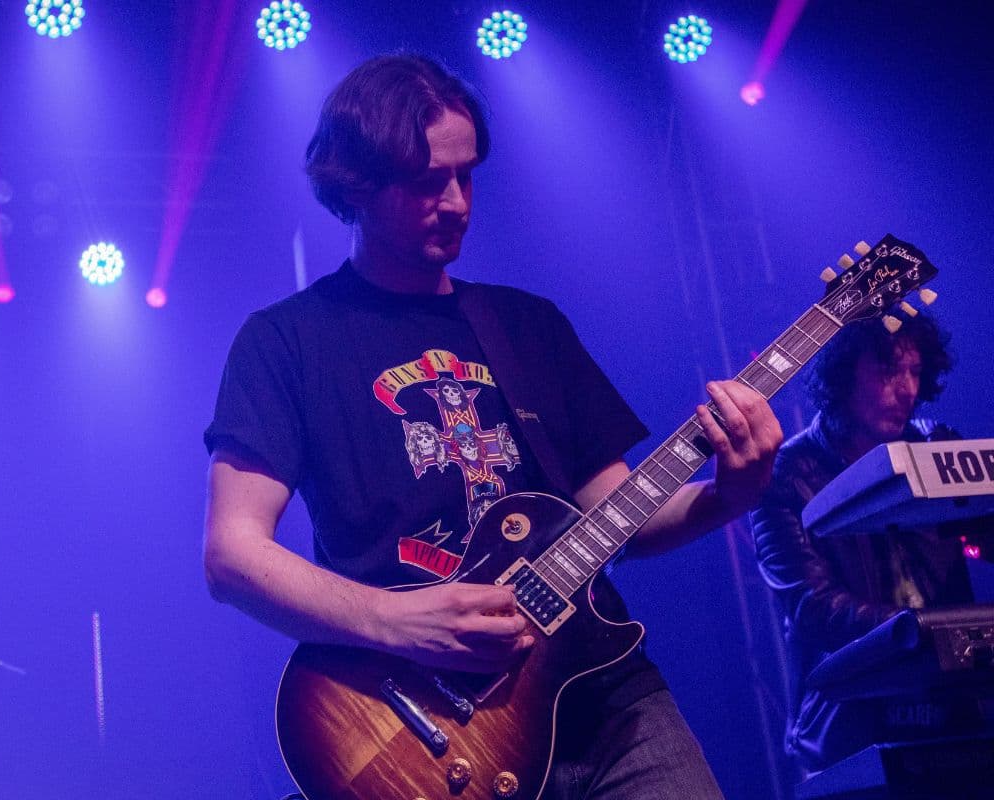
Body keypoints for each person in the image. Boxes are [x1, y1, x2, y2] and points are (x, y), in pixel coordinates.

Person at [203, 53, 782, 799]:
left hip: (605, 696)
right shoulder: (286, 342)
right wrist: (393, 619)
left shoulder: (526, 325)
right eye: (426, 182)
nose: (456, 203)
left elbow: (619, 516)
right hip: (426, 725)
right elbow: (233, 555)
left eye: (467, 176)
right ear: (357, 184)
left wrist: (733, 493)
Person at [751, 313, 992, 775]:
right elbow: (815, 609)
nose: (907, 390)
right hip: (849, 717)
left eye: (915, 372)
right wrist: (925, 632)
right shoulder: (787, 473)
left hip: (957, 699)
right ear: (845, 374)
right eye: (888, 371)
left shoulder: (935, 445)